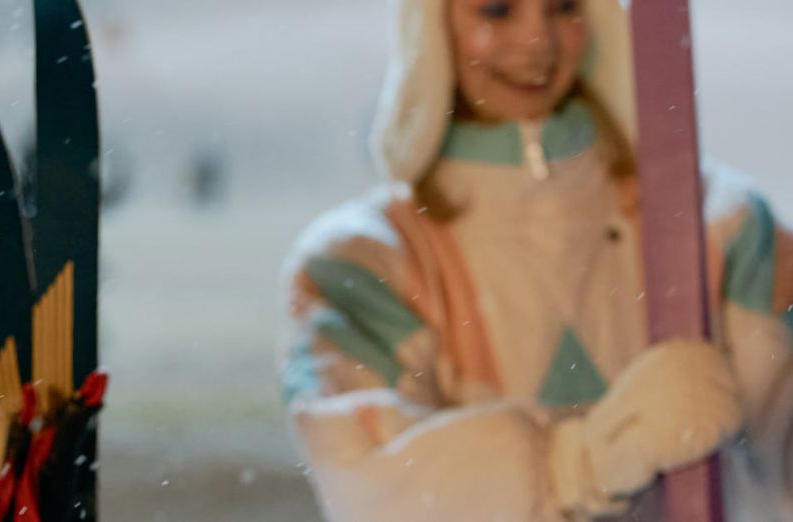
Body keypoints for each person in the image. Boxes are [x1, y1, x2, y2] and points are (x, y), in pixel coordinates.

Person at [277, 0, 793, 520]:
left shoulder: (719, 225)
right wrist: (581, 463)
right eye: (497, 11)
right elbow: (369, 486)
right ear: (431, 26)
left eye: (564, 7)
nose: (537, 41)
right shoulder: (364, 265)